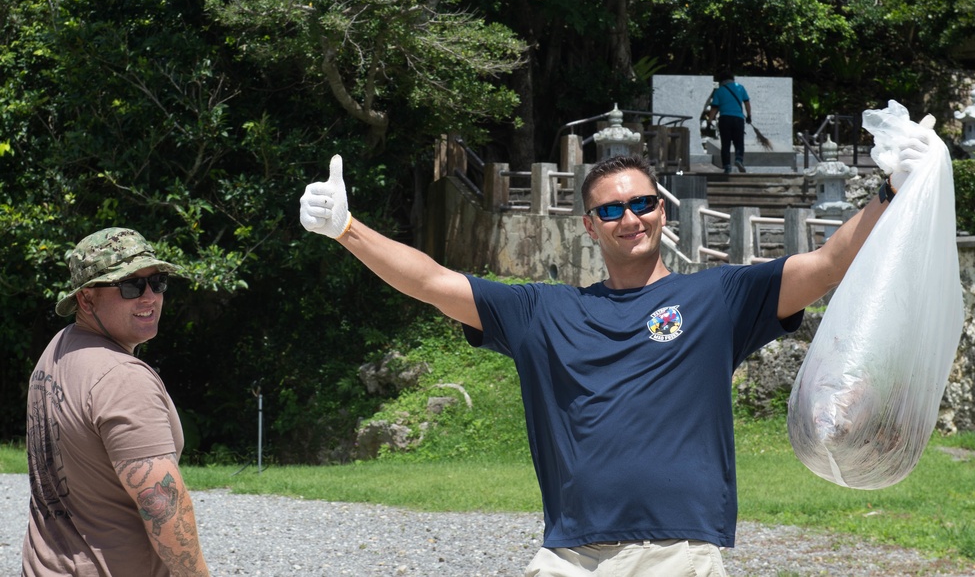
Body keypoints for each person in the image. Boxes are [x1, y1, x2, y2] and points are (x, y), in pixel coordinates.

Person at [299, 136, 929, 576]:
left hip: (679, 552)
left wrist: (890, 188)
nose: (630, 218)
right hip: (570, 557)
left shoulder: (716, 297)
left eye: (642, 203)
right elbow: (433, 282)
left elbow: (827, 264)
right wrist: (348, 229)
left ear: (662, 210)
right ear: (589, 226)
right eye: (611, 209)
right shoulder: (542, 312)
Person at [23, 227, 210, 577]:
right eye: (130, 286)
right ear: (87, 299)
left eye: (157, 282)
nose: (149, 297)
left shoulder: (58, 350)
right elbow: (163, 506)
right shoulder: (123, 378)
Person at [707, 69, 752, 173]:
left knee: (725, 144)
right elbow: (747, 103)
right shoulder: (740, 88)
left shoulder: (719, 91)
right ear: (732, 79)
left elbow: (714, 108)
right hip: (738, 118)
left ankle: (727, 166)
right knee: (739, 142)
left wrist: (709, 122)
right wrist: (749, 116)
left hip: (725, 119)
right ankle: (738, 159)